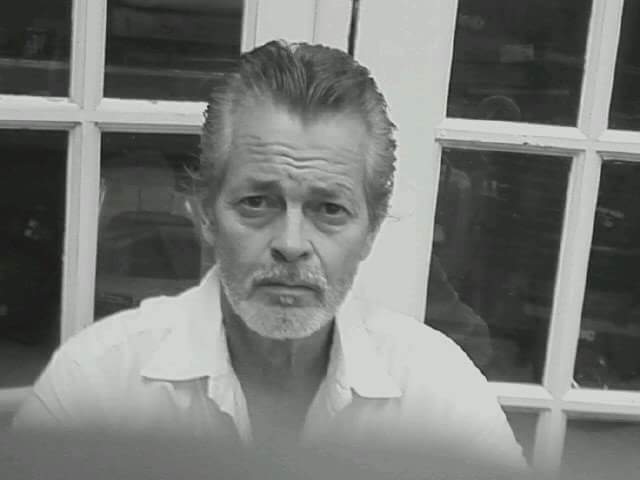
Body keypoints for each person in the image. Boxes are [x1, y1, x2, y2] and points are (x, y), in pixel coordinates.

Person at [12, 40, 526, 471]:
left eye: (329, 209)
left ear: (371, 229)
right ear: (205, 213)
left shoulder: (440, 395)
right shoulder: (96, 386)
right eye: (257, 203)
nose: (291, 243)